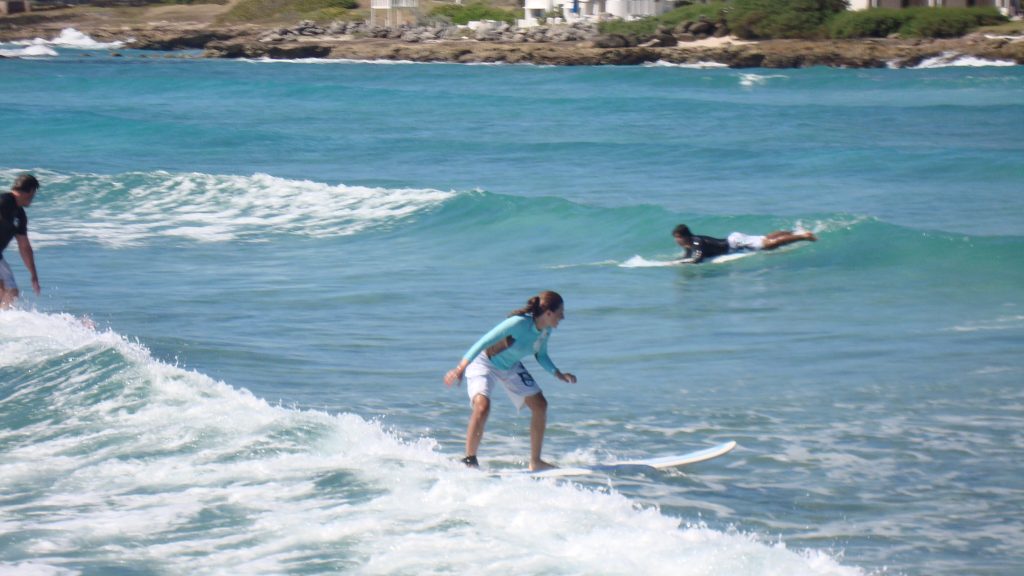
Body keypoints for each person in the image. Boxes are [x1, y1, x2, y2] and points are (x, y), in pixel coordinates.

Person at [444, 290, 577, 471]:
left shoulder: (545, 331)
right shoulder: (518, 324)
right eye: (560, 313)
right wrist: (460, 368)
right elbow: (482, 342)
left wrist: (558, 373)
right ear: (548, 313)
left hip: (510, 366)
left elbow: (541, 354)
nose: (562, 317)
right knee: (482, 406)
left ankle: (535, 462)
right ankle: (469, 460)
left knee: (540, 405)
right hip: (484, 362)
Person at [672, 223, 816, 264]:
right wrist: (679, 260)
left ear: (684, 237)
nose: (676, 241)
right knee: (764, 238)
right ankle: (794, 232)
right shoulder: (692, 243)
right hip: (734, 240)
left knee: (768, 245)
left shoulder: (696, 242)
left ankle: (803, 236)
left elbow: (697, 258)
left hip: (734, 244)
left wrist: (683, 263)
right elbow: (689, 255)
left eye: (677, 238)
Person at [1, 174, 41, 309]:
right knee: (9, 291)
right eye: (34, 194)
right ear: (30, 191)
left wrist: (33, 274)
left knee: (8, 292)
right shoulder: (3, 201)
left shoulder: (20, 214)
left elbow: (24, 246)